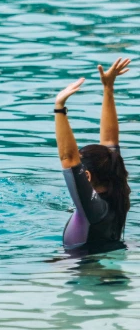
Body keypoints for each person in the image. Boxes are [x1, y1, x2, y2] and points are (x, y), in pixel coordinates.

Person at [54, 58, 132, 251]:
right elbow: (110, 142)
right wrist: (108, 88)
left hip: (85, 269)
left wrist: (59, 107)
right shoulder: (118, 191)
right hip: (105, 256)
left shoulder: (93, 208)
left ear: (86, 176)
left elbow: (68, 159)